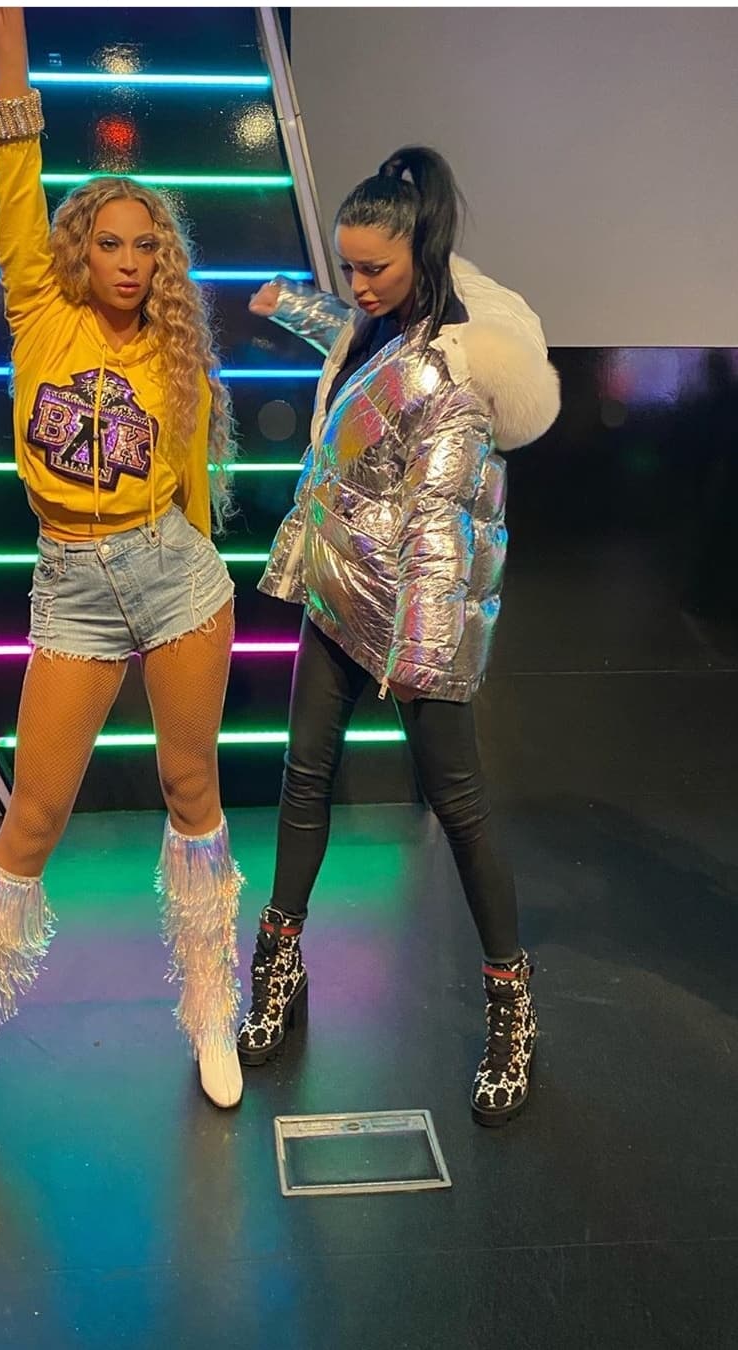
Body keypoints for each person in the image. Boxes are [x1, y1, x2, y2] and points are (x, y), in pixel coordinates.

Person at [0, 6, 244, 1184]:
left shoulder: (176, 349)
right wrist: (7, 18)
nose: (132, 262)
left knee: (192, 789)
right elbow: (15, 136)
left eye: (148, 247)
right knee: (32, 824)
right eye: (112, 243)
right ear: (77, 251)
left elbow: (191, 491)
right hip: (73, 589)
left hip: (176, 577)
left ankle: (212, 1007)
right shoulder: (37, 310)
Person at [238, 147, 560, 1125]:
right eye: (347, 266)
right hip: (339, 589)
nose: (358, 284)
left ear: (423, 252)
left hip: (417, 615)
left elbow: (440, 526)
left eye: (374, 267)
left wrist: (416, 657)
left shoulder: (455, 371)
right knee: (303, 777)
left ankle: (510, 1002)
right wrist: (294, 307)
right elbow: (362, 349)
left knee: (460, 807)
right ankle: (278, 961)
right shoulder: (382, 324)